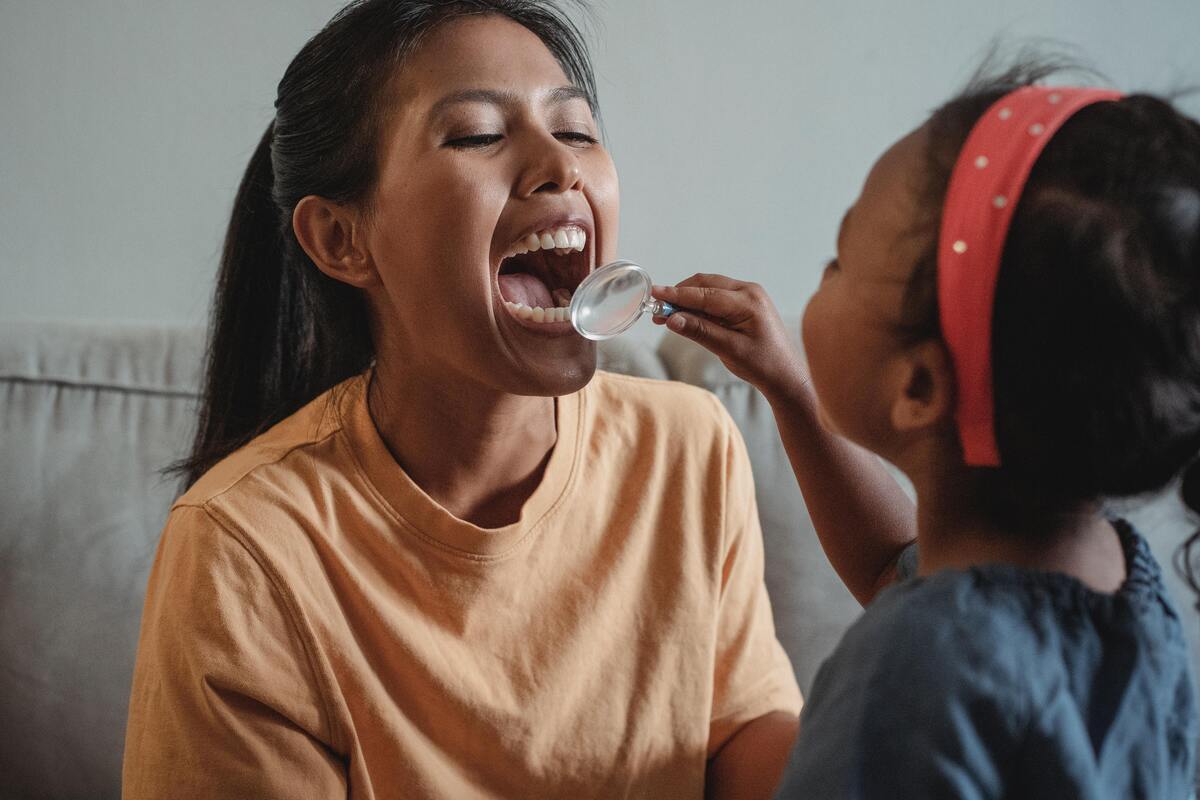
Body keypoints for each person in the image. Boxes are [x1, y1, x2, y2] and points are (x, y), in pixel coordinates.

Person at [120, 1, 816, 797]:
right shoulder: (244, 549)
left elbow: (740, 732)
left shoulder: (688, 445)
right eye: (478, 134)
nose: (561, 167)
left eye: (578, 130)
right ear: (341, 240)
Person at [652, 61, 1200, 796]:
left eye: (838, 261)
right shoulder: (1121, 585)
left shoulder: (909, 675)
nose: (820, 277)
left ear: (917, 386)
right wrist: (789, 389)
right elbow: (895, 570)